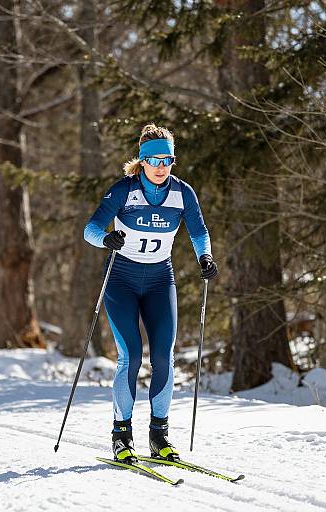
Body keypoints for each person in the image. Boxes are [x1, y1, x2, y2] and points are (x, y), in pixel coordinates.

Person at [84, 123, 218, 462]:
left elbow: (199, 233)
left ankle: (159, 435)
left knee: (163, 356)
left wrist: (205, 257)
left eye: (168, 159)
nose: (161, 166)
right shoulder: (123, 190)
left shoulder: (183, 193)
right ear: (142, 161)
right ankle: (121, 435)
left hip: (160, 281)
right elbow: (91, 229)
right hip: (121, 281)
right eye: (154, 159)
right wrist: (105, 239)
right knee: (130, 357)